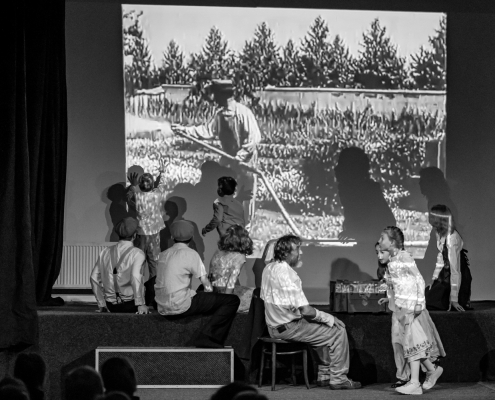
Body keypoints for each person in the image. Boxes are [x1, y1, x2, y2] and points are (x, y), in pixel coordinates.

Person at [261, 235, 361, 390]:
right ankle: (339, 378)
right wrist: (329, 318)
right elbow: (306, 310)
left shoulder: (269, 268)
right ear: (286, 253)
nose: (300, 253)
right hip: (289, 327)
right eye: (297, 249)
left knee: (320, 326)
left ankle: (324, 374)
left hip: (274, 327)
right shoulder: (288, 274)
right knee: (337, 330)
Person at [171, 79, 262, 224]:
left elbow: (254, 138)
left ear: (224, 95)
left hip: (246, 164)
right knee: (224, 193)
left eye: (216, 94)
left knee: (246, 196)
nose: (214, 98)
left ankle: (245, 228)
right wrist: (184, 130)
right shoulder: (220, 115)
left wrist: (241, 155)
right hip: (228, 161)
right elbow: (206, 131)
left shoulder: (244, 113)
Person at [377, 226, 446, 395]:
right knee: (409, 345)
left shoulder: (404, 257)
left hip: (411, 308)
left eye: (382, 238)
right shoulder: (392, 260)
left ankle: (415, 382)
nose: (379, 241)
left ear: (392, 242)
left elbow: (418, 279)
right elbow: (400, 284)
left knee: (412, 344)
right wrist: (390, 297)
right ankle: (432, 370)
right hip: (401, 308)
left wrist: (419, 303)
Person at [155, 220, 240, 348]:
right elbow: (206, 285)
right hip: (180, 305)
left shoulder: (163, 254)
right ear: (192, 237)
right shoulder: (191, 254)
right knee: (232, 301)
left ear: (172, 237)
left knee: (200, 292)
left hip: (161, 305)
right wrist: (212, 296)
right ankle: (209, 338)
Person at [90, 217, 149, 314]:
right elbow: (135, 276)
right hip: (130, 305)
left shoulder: (105, 252)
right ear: (135, 235)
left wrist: (102, 304)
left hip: (111, 306)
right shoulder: (137, 253)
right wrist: (140, 303)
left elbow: (93, 277)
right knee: (152, 282)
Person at [426, 204, 471, 311]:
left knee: (435, 303)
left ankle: (456, 299)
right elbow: (441, 257)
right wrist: (434, 279)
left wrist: (454, 298)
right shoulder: (439, 233)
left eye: (433, 216)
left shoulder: (452, 238)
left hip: (457, 277)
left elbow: (455, 271)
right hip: (446, 274)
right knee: (426, 298)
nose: (430, 218)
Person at [127, 171, 166, 278]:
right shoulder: (157, 195)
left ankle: (138, 286)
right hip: (154, 234)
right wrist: (162, 173)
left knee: (139, 262)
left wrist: (133, 185)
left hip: (141, 234)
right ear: (152, 184)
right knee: (154, 262)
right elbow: (161, 185)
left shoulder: (137, 196)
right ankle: (153, 286)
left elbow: (129, 196)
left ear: (140, 185)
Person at [209, 225, 253, 293]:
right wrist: (227, 297)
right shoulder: (240, 256)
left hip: (212, 288)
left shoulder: (218, 252)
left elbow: (211, 272)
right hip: (224, 290)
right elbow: (232, 280)